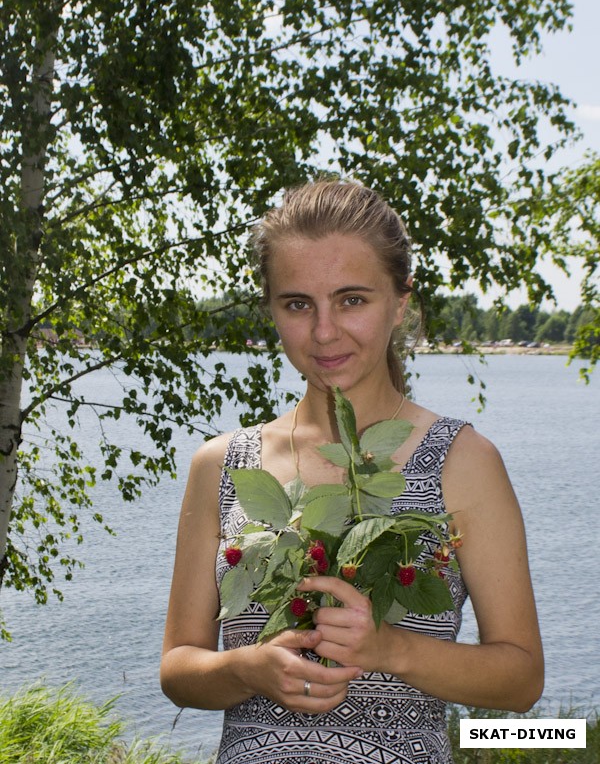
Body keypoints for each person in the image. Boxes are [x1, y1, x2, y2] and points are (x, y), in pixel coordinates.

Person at [160, 180, 544, 764]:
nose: (323, 332)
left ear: (401, 302)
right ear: (272, 309)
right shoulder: (223, 465)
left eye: (352, 299)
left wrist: (388, 649)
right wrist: (246, 669)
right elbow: (179, 668)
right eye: (297, 304)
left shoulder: (462, 463)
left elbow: (520, 679)